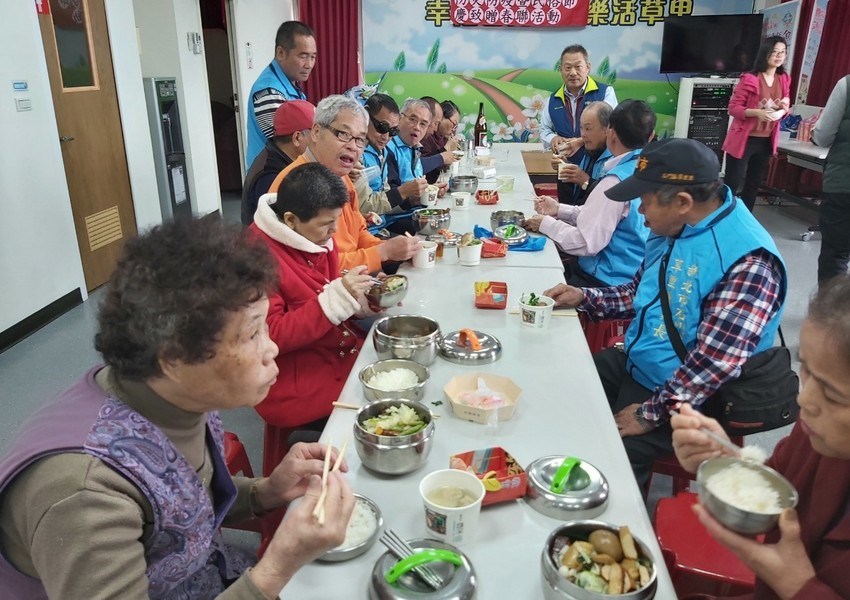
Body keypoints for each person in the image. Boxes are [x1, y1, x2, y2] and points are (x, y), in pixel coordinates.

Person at [0, 217, 355, 599]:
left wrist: (265, 492)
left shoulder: (172, 391)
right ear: (174, 357)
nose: (271, 349)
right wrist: (277, 566)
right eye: (253, 333)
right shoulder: (85, 493)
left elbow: (178, 501)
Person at [543, 138, 787, 488]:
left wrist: (649, 412)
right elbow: (640, 292)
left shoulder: (748, 262)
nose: (639, 212)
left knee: (614, 455)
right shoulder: (674, 228)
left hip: (697, 400)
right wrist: (584, 297)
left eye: (644, 201)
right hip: (644, 362)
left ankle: (616, 528)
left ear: (683, 202)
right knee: (563, 385)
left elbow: (714, 364)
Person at [671, 276, 850, 600]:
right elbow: (780, 491)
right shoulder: (816, 437)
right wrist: (728, 466)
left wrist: (797, 585)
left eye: (834, 396)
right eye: (806, 370)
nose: (804, 400)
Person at [249, 162, 374, 470]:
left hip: (331, 347)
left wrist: (359, 302)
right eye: (327, 225)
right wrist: (339, 299)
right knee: (379, 397)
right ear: (290, 220)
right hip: (293, 375)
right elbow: (272, 334)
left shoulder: (316, 235)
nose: (334, 233)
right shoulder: (254, 259)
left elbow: (330, 291)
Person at [267, 95, 420, 273]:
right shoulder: (293, 186)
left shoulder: (339, 174)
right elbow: (314, 267)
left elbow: (358, 232)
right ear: (316, 132)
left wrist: (390, 249)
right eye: (344, 134)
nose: (353, 147)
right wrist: (382, 253)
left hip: (355, 274)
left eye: (360, 139)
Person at [526, 100, 652, 287]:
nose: (582, 136)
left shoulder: (614, 183)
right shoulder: (648, 168)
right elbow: (599, 216)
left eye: (587, 129)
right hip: (637, 273)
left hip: (606, 280)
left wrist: (546, 224)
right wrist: (559, 209)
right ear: (651, 136)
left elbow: (585, 242)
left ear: (610, 133)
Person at [722, 36, 792, 212]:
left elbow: (785, 102)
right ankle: (724, 217)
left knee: (753, 184)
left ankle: (747, 219)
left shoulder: (783, 78)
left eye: (782, 52)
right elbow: (734, 108)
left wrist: (783, 109)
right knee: (732, 182)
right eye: (774, 52)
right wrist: (757, 113)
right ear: (765, 54)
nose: (778, 56)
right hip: (744, 139)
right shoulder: (750, 78)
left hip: (766, 139)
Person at [245, 21, 316, 167]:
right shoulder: (268, 92)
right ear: (281, 53)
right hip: (270, 177)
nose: (309, 64)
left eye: (313, 57)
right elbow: (293, 145)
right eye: (303, 56)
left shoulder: (290, 83)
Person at [538, 44, 618, 166]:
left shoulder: (605, 92)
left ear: (588, 67)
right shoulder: (553, 99)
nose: (573, 73)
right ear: (560, 69)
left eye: (578, 67)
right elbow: (544, 130)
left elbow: (611, 128)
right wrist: (553, 138)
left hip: (598, 167)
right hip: (565, 168)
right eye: (568, 67)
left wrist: (580, 142)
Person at [241, 99, 314, 225]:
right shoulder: (270, 176)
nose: (319, 139)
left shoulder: (282, 155)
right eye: (315, 132)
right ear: (297, 138)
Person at [812, 75, 850, 285]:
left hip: (843, 184)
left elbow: (823, 135)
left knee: (835, 254)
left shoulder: (846, 85)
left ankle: (828, 316)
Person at [548, 101, 614, 205]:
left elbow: (610, 203)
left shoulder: (615, 159)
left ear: (607, 129)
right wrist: (564, 168)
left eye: (588, 128)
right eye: (581, 128)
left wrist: (586, 181)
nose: (582, 135)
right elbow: (572, 201)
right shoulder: (590, 153)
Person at [385, 98, 434, 210]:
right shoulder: (388, 147)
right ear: (400, 118)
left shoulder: (415, 148)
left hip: (413, 209)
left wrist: (428, 191)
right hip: (395, 218)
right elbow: (389, 197)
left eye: (423, 124)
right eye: (413, 119)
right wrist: (412, 200)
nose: (417, 127)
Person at [422, 100, 462, 184]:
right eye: (453, 124)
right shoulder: (426, 135)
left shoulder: (443, 136)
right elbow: (423, 167)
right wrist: (446, 148)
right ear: (441, 117)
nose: (454, 129)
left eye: (456, 126)